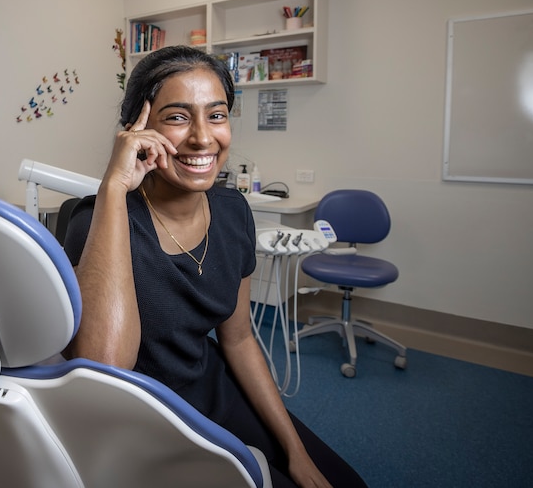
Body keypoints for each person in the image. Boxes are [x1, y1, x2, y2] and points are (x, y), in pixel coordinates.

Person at [63, 45, 367, 488]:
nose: (203, 138)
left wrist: (294, 450)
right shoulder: (97, 221)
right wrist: (113, 185)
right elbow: (103, 367)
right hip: (145, 413)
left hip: (210, 384)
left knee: (342, 482)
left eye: (217, 115)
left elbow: (239, 338)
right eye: (178, 117)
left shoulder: (232, 211)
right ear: (138, 128)